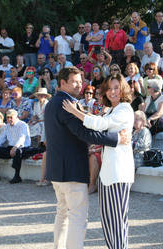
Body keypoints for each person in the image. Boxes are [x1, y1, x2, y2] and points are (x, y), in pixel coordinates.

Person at [44, 67, 129, 249]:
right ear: (62, 83)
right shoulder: (68, 104)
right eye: (74, 81)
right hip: (71, 170)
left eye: (80, 80)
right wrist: (117, 138)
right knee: (77, 217)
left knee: (63, 214)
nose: (79, 84)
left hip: (57, 170)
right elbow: (85, 133)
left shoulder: (53, 102)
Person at [0, 109, 44, 183]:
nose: (9, 119)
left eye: (11, 117)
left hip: (22, 148)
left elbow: (22, 138)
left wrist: (15, 147)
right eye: (8, 117)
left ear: (16, 117)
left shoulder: (23, 125)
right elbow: (1, 138)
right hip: (11, 148)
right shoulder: (7, 126)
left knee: (17, 152)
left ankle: (17, 176)